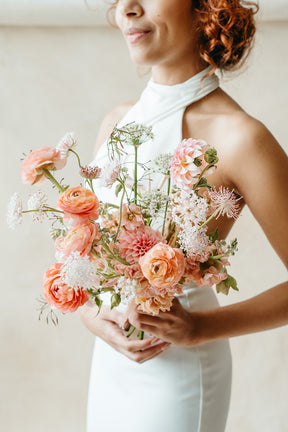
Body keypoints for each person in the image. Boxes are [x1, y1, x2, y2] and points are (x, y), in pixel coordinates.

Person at [80, 1, 288, 431]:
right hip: (111, 364)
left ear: (205, 8)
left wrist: (199, 329)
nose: (127, 9)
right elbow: (87, 255)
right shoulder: (116, 123)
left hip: (179, 376)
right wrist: (91, 314)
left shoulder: (241, 138)